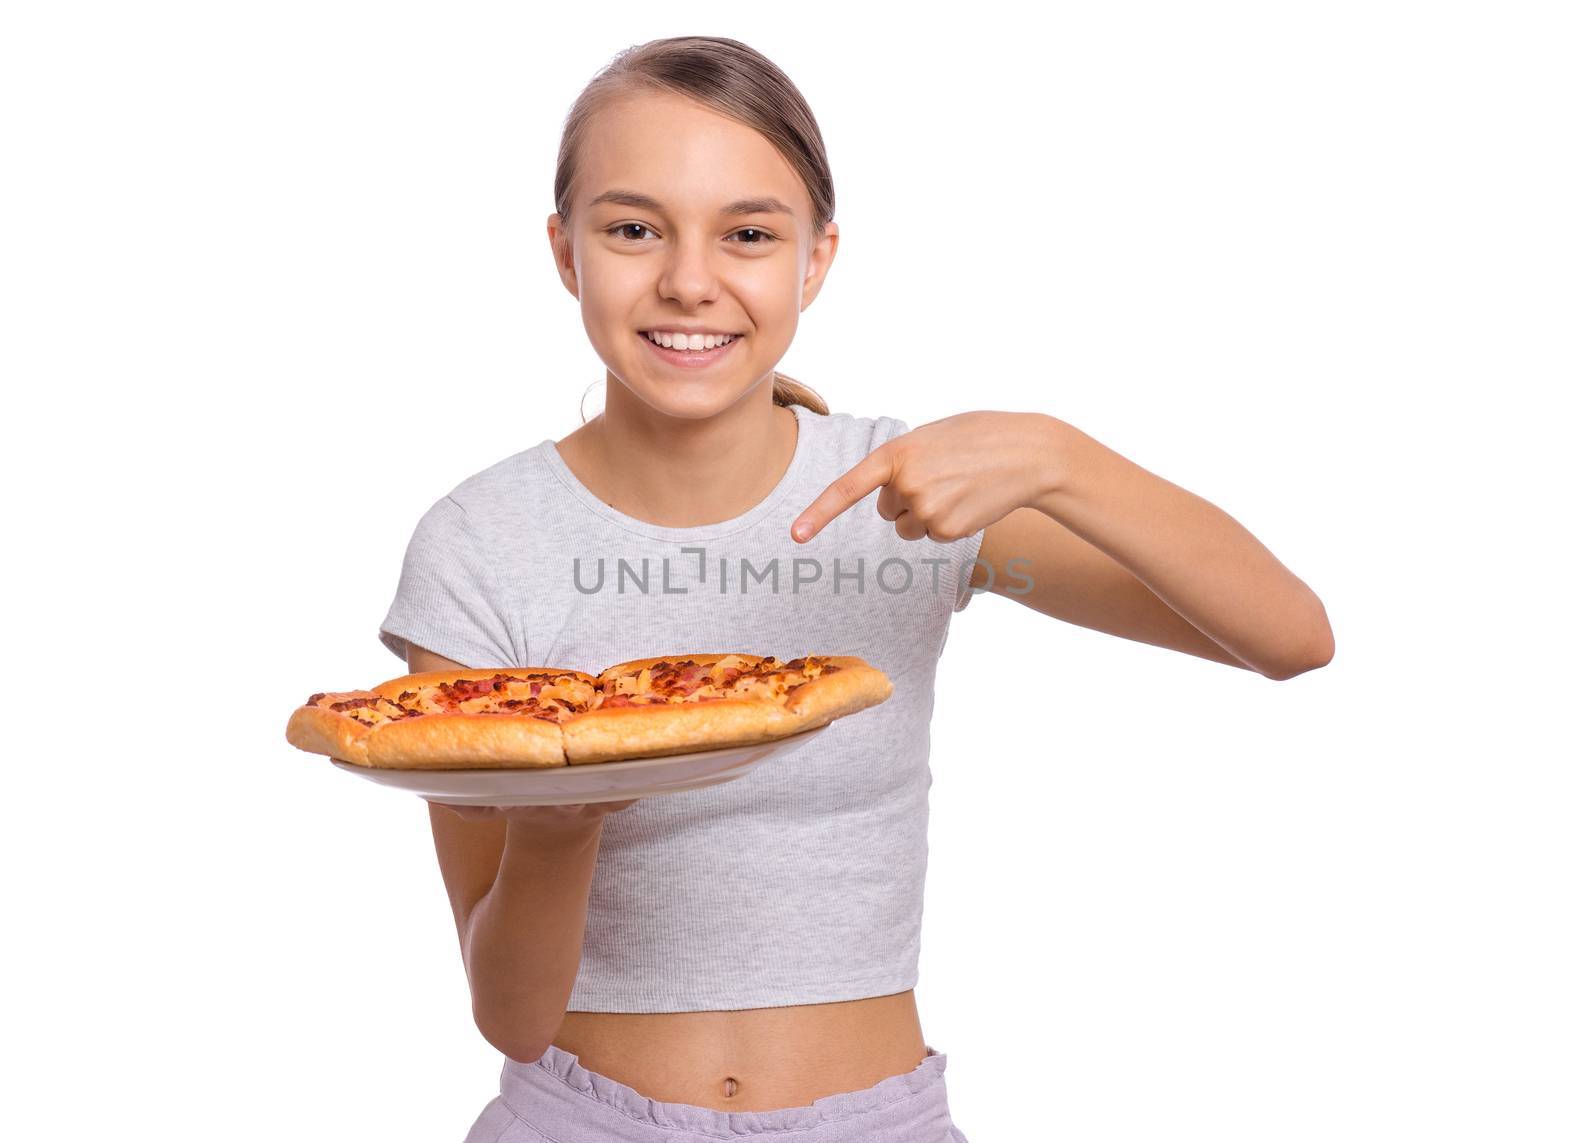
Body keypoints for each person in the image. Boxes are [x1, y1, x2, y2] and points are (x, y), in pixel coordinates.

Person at [376, 35, 1335, 1143]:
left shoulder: (910, 499)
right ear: (564, 250)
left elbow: (1289, 637)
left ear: (816, 259)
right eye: (633, 228)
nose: (690, 280)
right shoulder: (481, 542)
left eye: (748, 234)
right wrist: (558, 823)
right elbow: (511, 1015)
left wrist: (1065, 458)